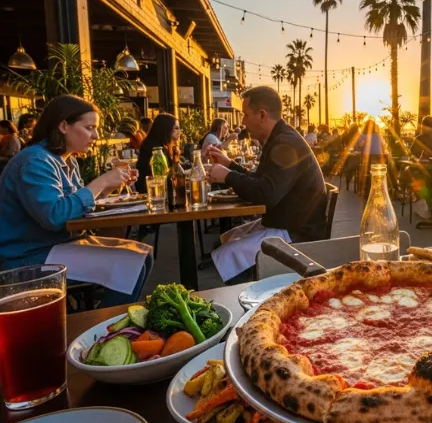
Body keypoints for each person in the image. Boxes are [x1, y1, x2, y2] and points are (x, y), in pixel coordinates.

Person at [0, 95, 152, 306]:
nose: (96, 135)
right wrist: (100, 183)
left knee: (142, 256)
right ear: (63, 126)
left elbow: (77, 208)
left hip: (58, 246)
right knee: (130, 264)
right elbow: (54, 216)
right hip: (28, 259)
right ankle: (100, 331)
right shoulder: (35, 161)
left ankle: (102, 319)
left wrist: (107, 188)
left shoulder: (67, 160)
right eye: (89, 128)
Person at [205, 86, 327, 282]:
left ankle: (247, 300)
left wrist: (227, 176)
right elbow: (261, 180)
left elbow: (266, 193)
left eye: (245, 115)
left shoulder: (286, 143)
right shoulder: (280, 138)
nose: (243, 122)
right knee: (228, 238)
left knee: (226, 255)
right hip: (284, 222)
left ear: (262, 115)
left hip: (297, 233)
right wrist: (229, 165)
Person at [135, 113, 181, 193]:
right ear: (166, 129)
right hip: (151, 192)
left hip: (158, 189)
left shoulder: (161, 145)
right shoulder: (155, 149)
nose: (179, 131)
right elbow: (164, 175)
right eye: (176, 128)